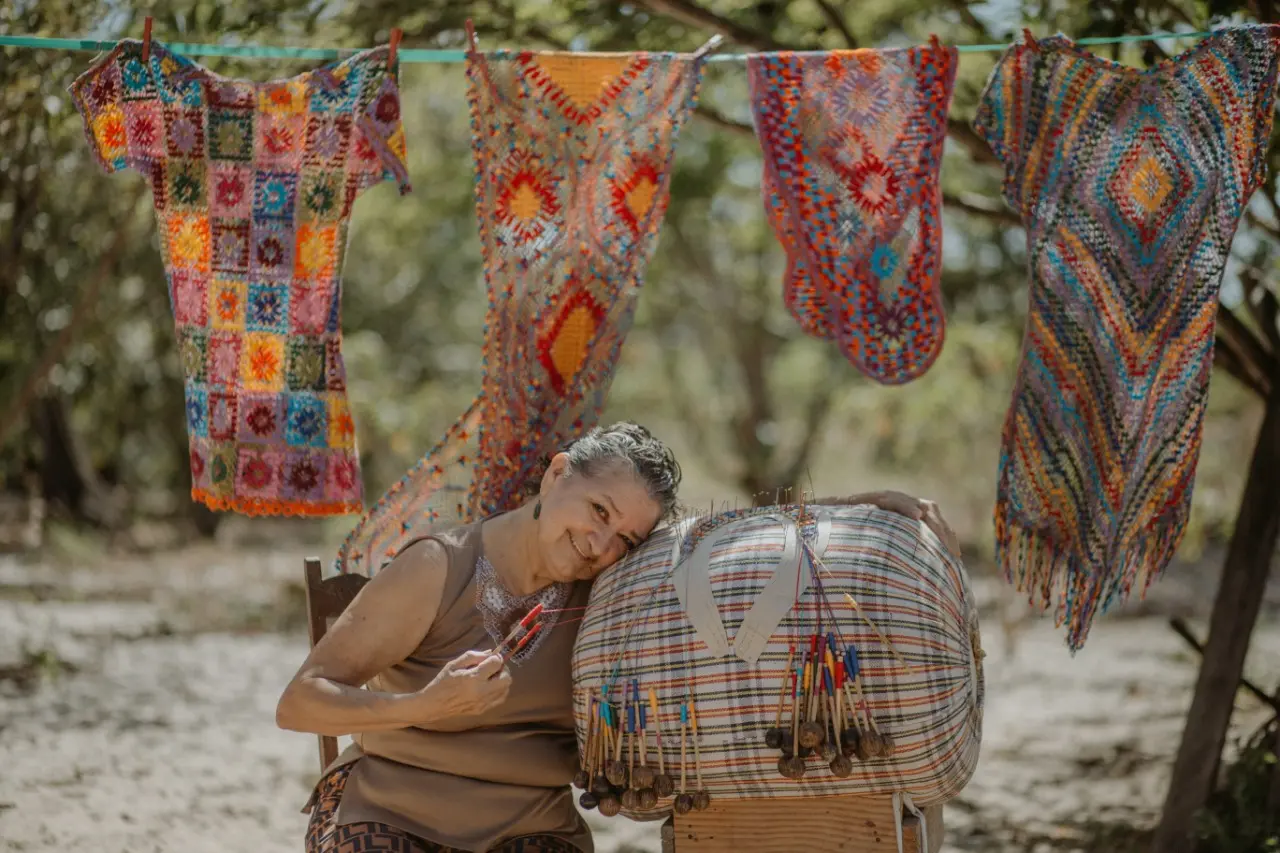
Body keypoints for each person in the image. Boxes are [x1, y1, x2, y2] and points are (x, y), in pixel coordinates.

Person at [277, 421, 958, 853]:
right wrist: (421, 705)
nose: (601, 544)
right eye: (597, 510)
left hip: (529, 828)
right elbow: (300, 700)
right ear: (556, 473)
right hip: (393, 811)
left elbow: (728, 539)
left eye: (625, 538)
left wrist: (860, 506)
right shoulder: (439, 566)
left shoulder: (616, 584)